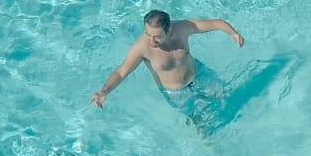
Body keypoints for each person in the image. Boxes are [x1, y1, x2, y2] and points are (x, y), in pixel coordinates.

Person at [91, 9, 244, 118]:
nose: (151, 40)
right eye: (147, 34)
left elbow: (216, 23)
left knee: (227, 98)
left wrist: (233, 33)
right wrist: (104, 91)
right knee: (196, 119)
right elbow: (121, 72)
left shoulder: (182, 28)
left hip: (199, 75)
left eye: (156, 37)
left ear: (169, 29)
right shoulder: (141, 48)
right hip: (175, 93)